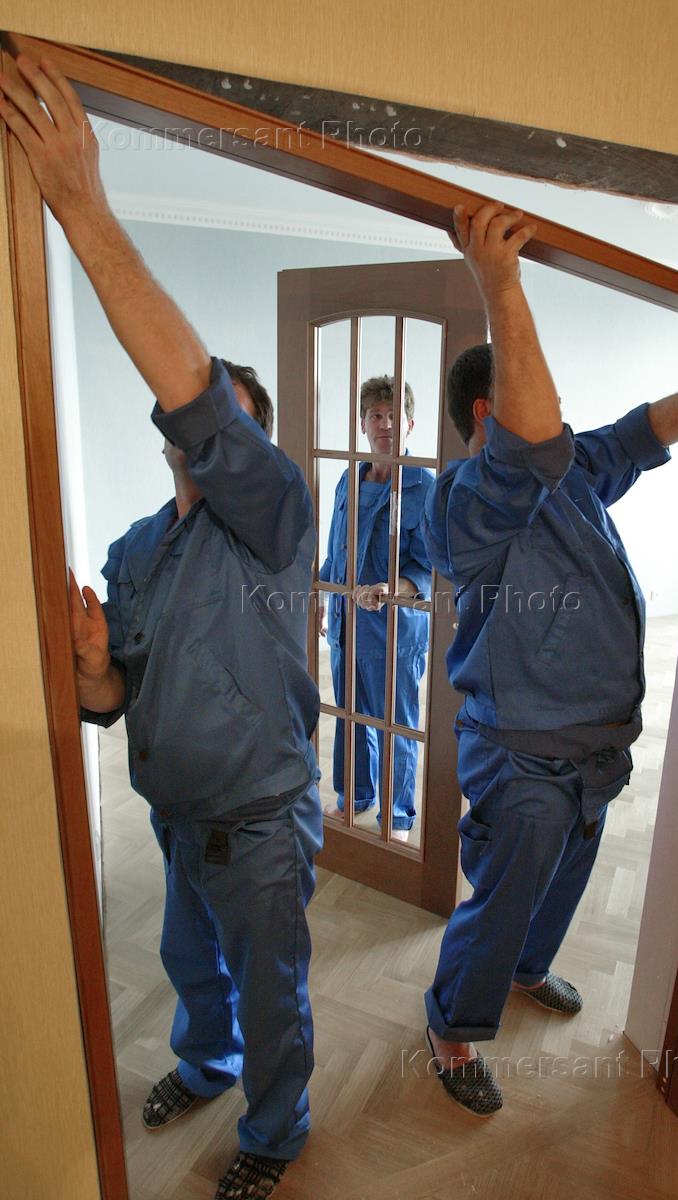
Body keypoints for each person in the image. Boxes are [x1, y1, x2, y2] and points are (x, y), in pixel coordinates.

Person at [421, 200, 678, 1115]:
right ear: (489, 414)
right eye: (538, 405)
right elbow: (532, 441)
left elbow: (649, 426)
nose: (559, 420)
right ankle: (451, 1027)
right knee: (504, 892)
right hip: (522, 751)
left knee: (565, 875)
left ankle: (527, 967)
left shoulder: (572, 471)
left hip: (597, 744)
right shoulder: (463, 504)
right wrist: (498, 282)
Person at [0, 56, 323, 1198]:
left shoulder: (274, 519)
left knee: (272, 990)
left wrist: (82, 207)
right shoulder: (136, 549)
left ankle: (274, 1133)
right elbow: (112, 702)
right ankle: (204, 1062)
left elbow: (197, 399)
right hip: (178, 818)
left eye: (230, 428)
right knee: (192, 962)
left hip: (263, 825)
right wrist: (93, 666)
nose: (208, 440)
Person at [318, 376, 433, 838]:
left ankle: (397, 816)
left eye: (393, 416)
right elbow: (336, 547)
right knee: (351, 717)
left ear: (409, 425)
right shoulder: (350, 478)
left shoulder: (424, 485)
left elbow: (430, 566)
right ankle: (354, 797)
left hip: (395, 630)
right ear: (362, 424)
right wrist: (323, 597)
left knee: (395, 725)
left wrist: (393, 587)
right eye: (376, 416)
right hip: (346, 623)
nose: (385, 424)